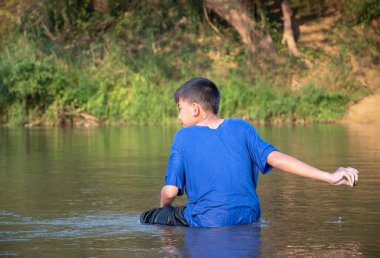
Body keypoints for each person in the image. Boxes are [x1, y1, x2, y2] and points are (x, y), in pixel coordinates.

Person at [140, 77, 359, 228]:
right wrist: (328, 176)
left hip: (207, 220)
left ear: (195, 109)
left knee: (148, 217)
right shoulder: (243, 127)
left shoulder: (183, 136)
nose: (179, 116)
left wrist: (164, 209)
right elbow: (278, 158)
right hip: (249, 215)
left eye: (180, 109)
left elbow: (170, 191)